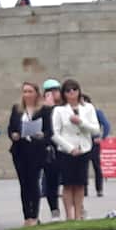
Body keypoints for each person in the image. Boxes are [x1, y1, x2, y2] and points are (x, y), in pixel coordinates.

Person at [51, 79, 100, 221]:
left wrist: (81, 122)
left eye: (74, 89)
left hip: (84, 149)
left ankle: (79, 214)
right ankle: (69, 215)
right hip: (66, 151)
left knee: (80, 183)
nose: (72, 92)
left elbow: (96, 129)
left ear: (79, 91)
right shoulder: (59, 110)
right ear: (64, 93)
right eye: (68, 90)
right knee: (68, 184)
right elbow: (55, 133)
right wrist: (70, 148)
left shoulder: (88, 108)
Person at [9, 82, 48, 226]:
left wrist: (42, 135)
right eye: (25, 91)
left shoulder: (44, 110)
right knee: (24, 184)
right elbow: (11, 128)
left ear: (36, 93)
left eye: (30, 91)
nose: (27, 94)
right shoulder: (17, 109)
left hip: (36, 150)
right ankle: (27, 216)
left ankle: (34, 215)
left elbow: (49, 130)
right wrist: (13, 135)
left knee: (34, 182)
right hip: (20, 150)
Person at [39, 79, 63, 220]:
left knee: (71, 181)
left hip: (65, 148)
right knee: (51, 181)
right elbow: (47, 128)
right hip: (50, 150)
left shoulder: (64, 107)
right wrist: (48, 109)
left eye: (56, 91)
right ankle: (54, 210)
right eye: (50, 92)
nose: (54, 94)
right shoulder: (43, 110)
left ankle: (77, 210)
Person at [83, 95, 111, 197]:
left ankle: (99, 189)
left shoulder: (96, 112)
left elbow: (106, 125)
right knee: (83, 167)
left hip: (93, 141)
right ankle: (84, 189)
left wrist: (102, 137)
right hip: (83, 141)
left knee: (96, 166)